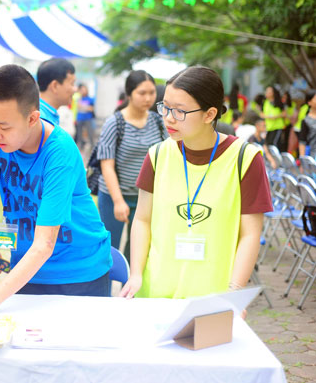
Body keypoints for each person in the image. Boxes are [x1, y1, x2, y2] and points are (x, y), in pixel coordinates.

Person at [0, 64, 113, 315]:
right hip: (26, 270)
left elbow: (44, 244)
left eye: (4, 127)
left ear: (32, 118)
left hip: (78, 272)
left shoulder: (60, 151)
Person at [120, 66, 272, 300]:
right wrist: (136, 274)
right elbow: (142, 219)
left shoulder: (245, 159)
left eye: (179, 111)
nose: (169, 118)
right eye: (165, 107)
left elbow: (250, 235)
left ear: (209, 114)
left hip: (213, 298)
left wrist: (235, 292)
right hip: (154, 294)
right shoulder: (158, 155)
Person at [96, 70, 166, 263]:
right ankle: (106, 292)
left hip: (145, 197)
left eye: (152, 93)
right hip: (113, 197)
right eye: (142, 93)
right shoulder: (115, 123)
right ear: (129, 94)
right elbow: (106, 165)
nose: (148, 98)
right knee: (109, 252)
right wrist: (118, 201)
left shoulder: (158, 122)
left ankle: (130, 292)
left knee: (137, 252)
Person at [36, 58, 76, 125]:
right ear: (55, 86)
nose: (75, 89)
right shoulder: (40, 120)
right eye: (72, 83)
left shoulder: (44, 113)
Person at [260, 86, 286, 152]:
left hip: (277, 126)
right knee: (268, 143)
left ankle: (276, 159)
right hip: (268, 127)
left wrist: (275, 116)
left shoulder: (278, 102)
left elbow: (284, 113)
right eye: (267, 91)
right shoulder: (265, 102)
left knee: (274, 144)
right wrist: (268, 117)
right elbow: (261, 114)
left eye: (269, 92)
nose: (267, 93)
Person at [75, 83, 96, 150]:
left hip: (88, 118)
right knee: (79, 133)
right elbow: (77, 107)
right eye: (82, 90)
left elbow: (91, 108)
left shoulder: (90, 99)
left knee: (90, 132)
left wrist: (83, 107)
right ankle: (81, 146)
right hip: (80, 118)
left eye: (84, 89)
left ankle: (92, 146)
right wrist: (86, 107)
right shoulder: (78, 98)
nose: (83, 91)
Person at [299, 92, 316, 158]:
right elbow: (302, 142)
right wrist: (303, 160)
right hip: (313, 156)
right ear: (309, 102)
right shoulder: (306, 121)